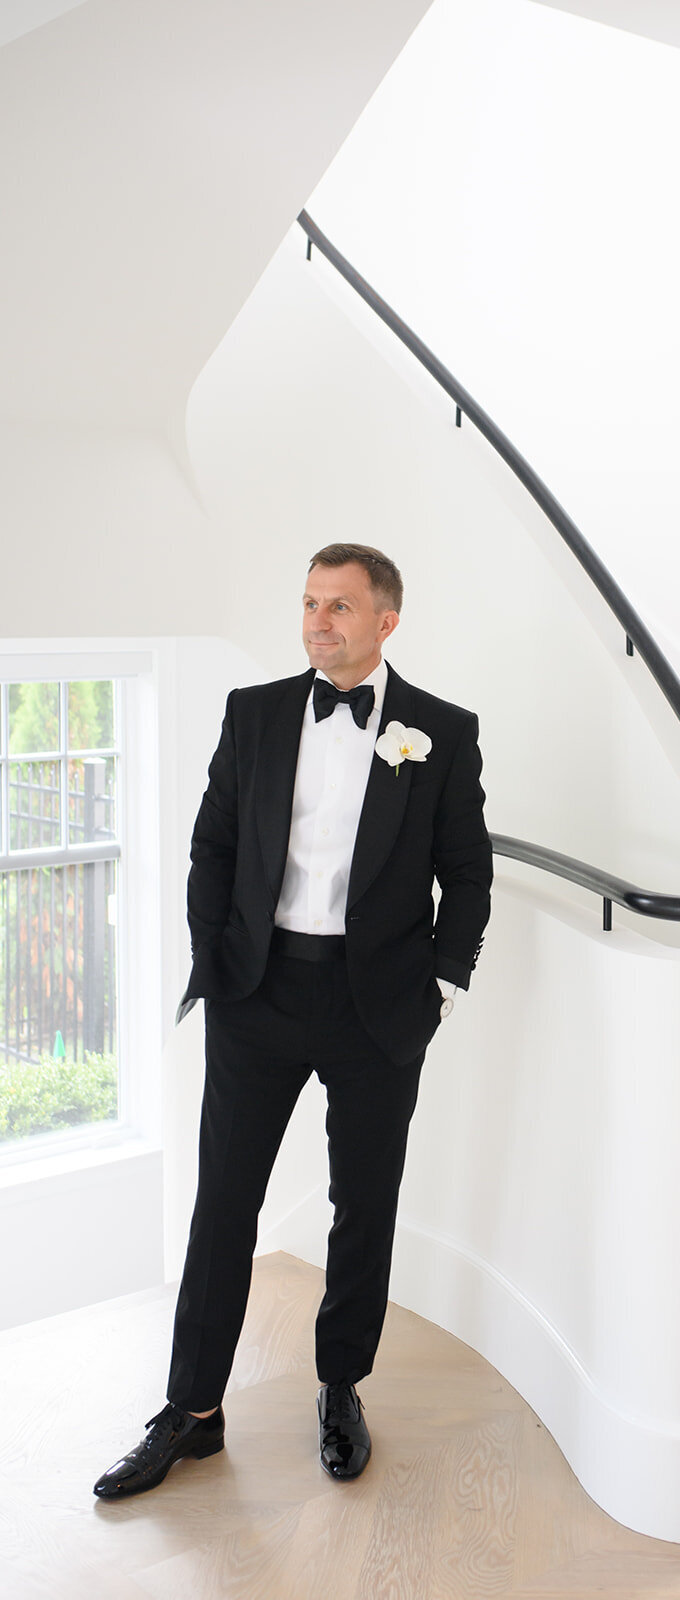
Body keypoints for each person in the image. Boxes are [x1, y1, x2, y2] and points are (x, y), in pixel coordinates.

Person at [93, 542, 492, 1498]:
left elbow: (467, 872)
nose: (319, 621)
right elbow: (213, 844)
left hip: (378, 1011)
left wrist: (441, 986)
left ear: (386, 620)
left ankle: (341, 1386)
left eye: (341, 607)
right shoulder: (257, 712)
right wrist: (215, 963)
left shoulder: (440, 730)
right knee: (223, 1206)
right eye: (310, 603)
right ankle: (191, 1413)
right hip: (258, 995)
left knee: (363, 1207)